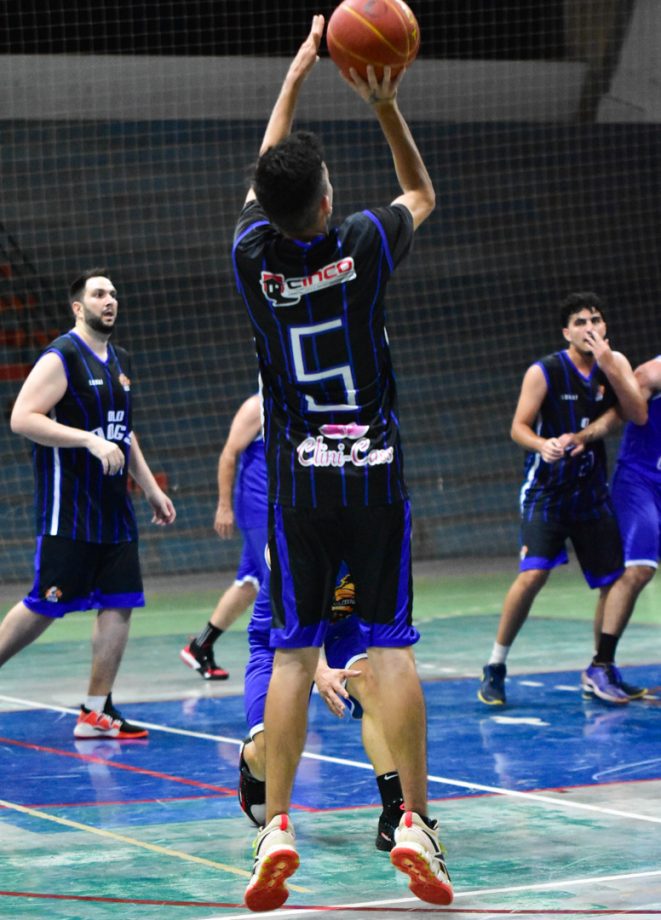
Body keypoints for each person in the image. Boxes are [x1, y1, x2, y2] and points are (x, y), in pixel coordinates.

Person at [232, 16, 451, 912]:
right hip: (374, 476)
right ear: (326, 201)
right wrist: (384, 102)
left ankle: (276, 826)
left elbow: (266, 173)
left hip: (297, 483)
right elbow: (421, 190)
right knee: (389, 646)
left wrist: (293, 76)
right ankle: (415, 822)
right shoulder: (363, 241)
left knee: (292, 655)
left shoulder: (250, 259)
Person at [0, 268, 176, 739]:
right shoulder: (62, 356)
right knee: (45, 604)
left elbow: (123, 432)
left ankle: (96, 711)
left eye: (113, 293)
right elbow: (22, 418)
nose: (109, 300)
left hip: (114, 513)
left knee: (120, 602)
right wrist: (88, 440)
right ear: (78, 307)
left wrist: (150, 487)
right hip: (69, 511)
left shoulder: (119, 360)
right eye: (99, 294)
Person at [478, 292, 647, 707]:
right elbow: (518, 427)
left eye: (596, 319)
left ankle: (601, 668)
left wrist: (610, 368)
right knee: (533, 575)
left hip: (591, 492)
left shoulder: (613, 364)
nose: (590, 327)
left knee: (612, 581)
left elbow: (633, 413)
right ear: (566, 332)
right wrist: (543, 445)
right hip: (546, 492)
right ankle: (495, 665)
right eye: (580, 322)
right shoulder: (545, 371)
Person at [238, 563, 405, 853]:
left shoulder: (372, 538)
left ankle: (395, 813)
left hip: (344, 633)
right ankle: (251, 759)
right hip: (280, 641)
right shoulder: (288, 541)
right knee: (271, 748)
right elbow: (294, 626)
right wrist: (320, 670)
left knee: (377, 689)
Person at [568, 354, 660, 703]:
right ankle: (601, 664)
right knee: (637, 570)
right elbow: (622, 413)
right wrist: (586, 435)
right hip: (641, 482)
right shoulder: (652, 373)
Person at [180, 393, 265, 680]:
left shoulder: (294, 401)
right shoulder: (256, 406)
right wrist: (224, 506)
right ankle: (291, 657)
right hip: (257, 504)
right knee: (278, 579)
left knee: (249, 581)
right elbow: (228, 454)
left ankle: (200, 646)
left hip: (279, 504)